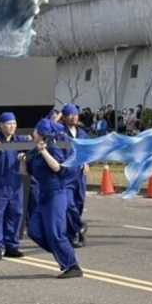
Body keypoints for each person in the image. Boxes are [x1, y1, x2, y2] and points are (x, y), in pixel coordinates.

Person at [18, 119, 82, 278]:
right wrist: (23, 160)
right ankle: (63, 251)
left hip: (56, 194)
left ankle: (73, 266)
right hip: (44, 196)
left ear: (42, 135)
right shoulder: (35, 151)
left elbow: (57, 167)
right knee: (34, 230)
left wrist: (44, 151)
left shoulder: (52, 148)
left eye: (35, 131)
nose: (33, 134)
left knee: (55, 233)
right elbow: (25, 173)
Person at [0, 111, 31, 259]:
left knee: (15, 214)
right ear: (1, 125)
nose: (12, 127)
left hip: (16, 184)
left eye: (14, 124)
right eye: (8, 124)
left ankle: (12, 245)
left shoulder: (19, 141)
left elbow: (33, 146)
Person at [61, 103, 89, 247]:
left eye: (76, 114)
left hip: (80, 175)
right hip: (66, 175)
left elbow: (90, 151)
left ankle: (74, 234)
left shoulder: (82, 134)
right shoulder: (60, 133)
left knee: (78, 203)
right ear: (64, 117)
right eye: (70, 115)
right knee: (68, 204)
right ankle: (79, 227)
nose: (74, 117)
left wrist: (87, 163)